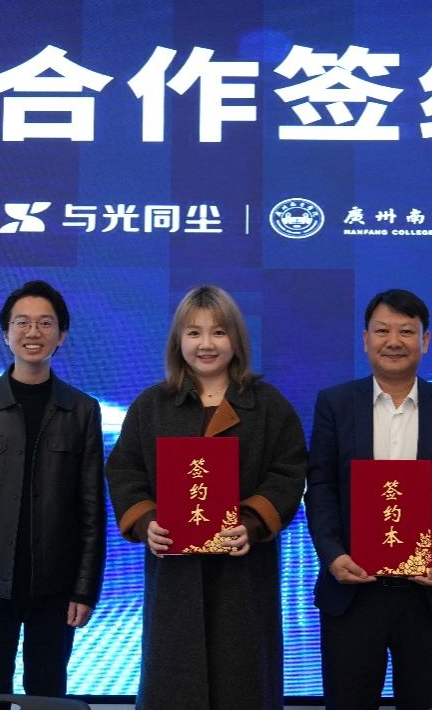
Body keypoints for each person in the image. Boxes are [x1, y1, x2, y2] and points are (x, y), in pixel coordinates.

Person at [105, 285, 307, 710]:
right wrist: (145, 522)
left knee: (244, 682)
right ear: (178, 341)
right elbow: (125, 471)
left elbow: (289, 471)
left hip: (243, 576)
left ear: (236, 338)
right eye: (194, 333)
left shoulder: (268, 405)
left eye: (218, 332)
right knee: (173, 683)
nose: (206, 344)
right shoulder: (152, 405)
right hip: (174, 578)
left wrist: (253, 522)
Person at [306, 288, 432, 710]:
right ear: (365, 339)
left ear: (426, 340)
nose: (394, 341)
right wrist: (333, 555)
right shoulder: (335, 403)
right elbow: (321, 486)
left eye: (406, 331)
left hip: (428, 592)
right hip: (352, 589)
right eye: (382, 330)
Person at [0, 280, 106, 696]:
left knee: (47, 695)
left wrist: (85, 590)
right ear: (5, 333)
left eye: (45, 323)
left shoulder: (82, 410)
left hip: (56, 587)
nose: (33, 332)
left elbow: (91, 510)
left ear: (61, 335)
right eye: (22, 323)